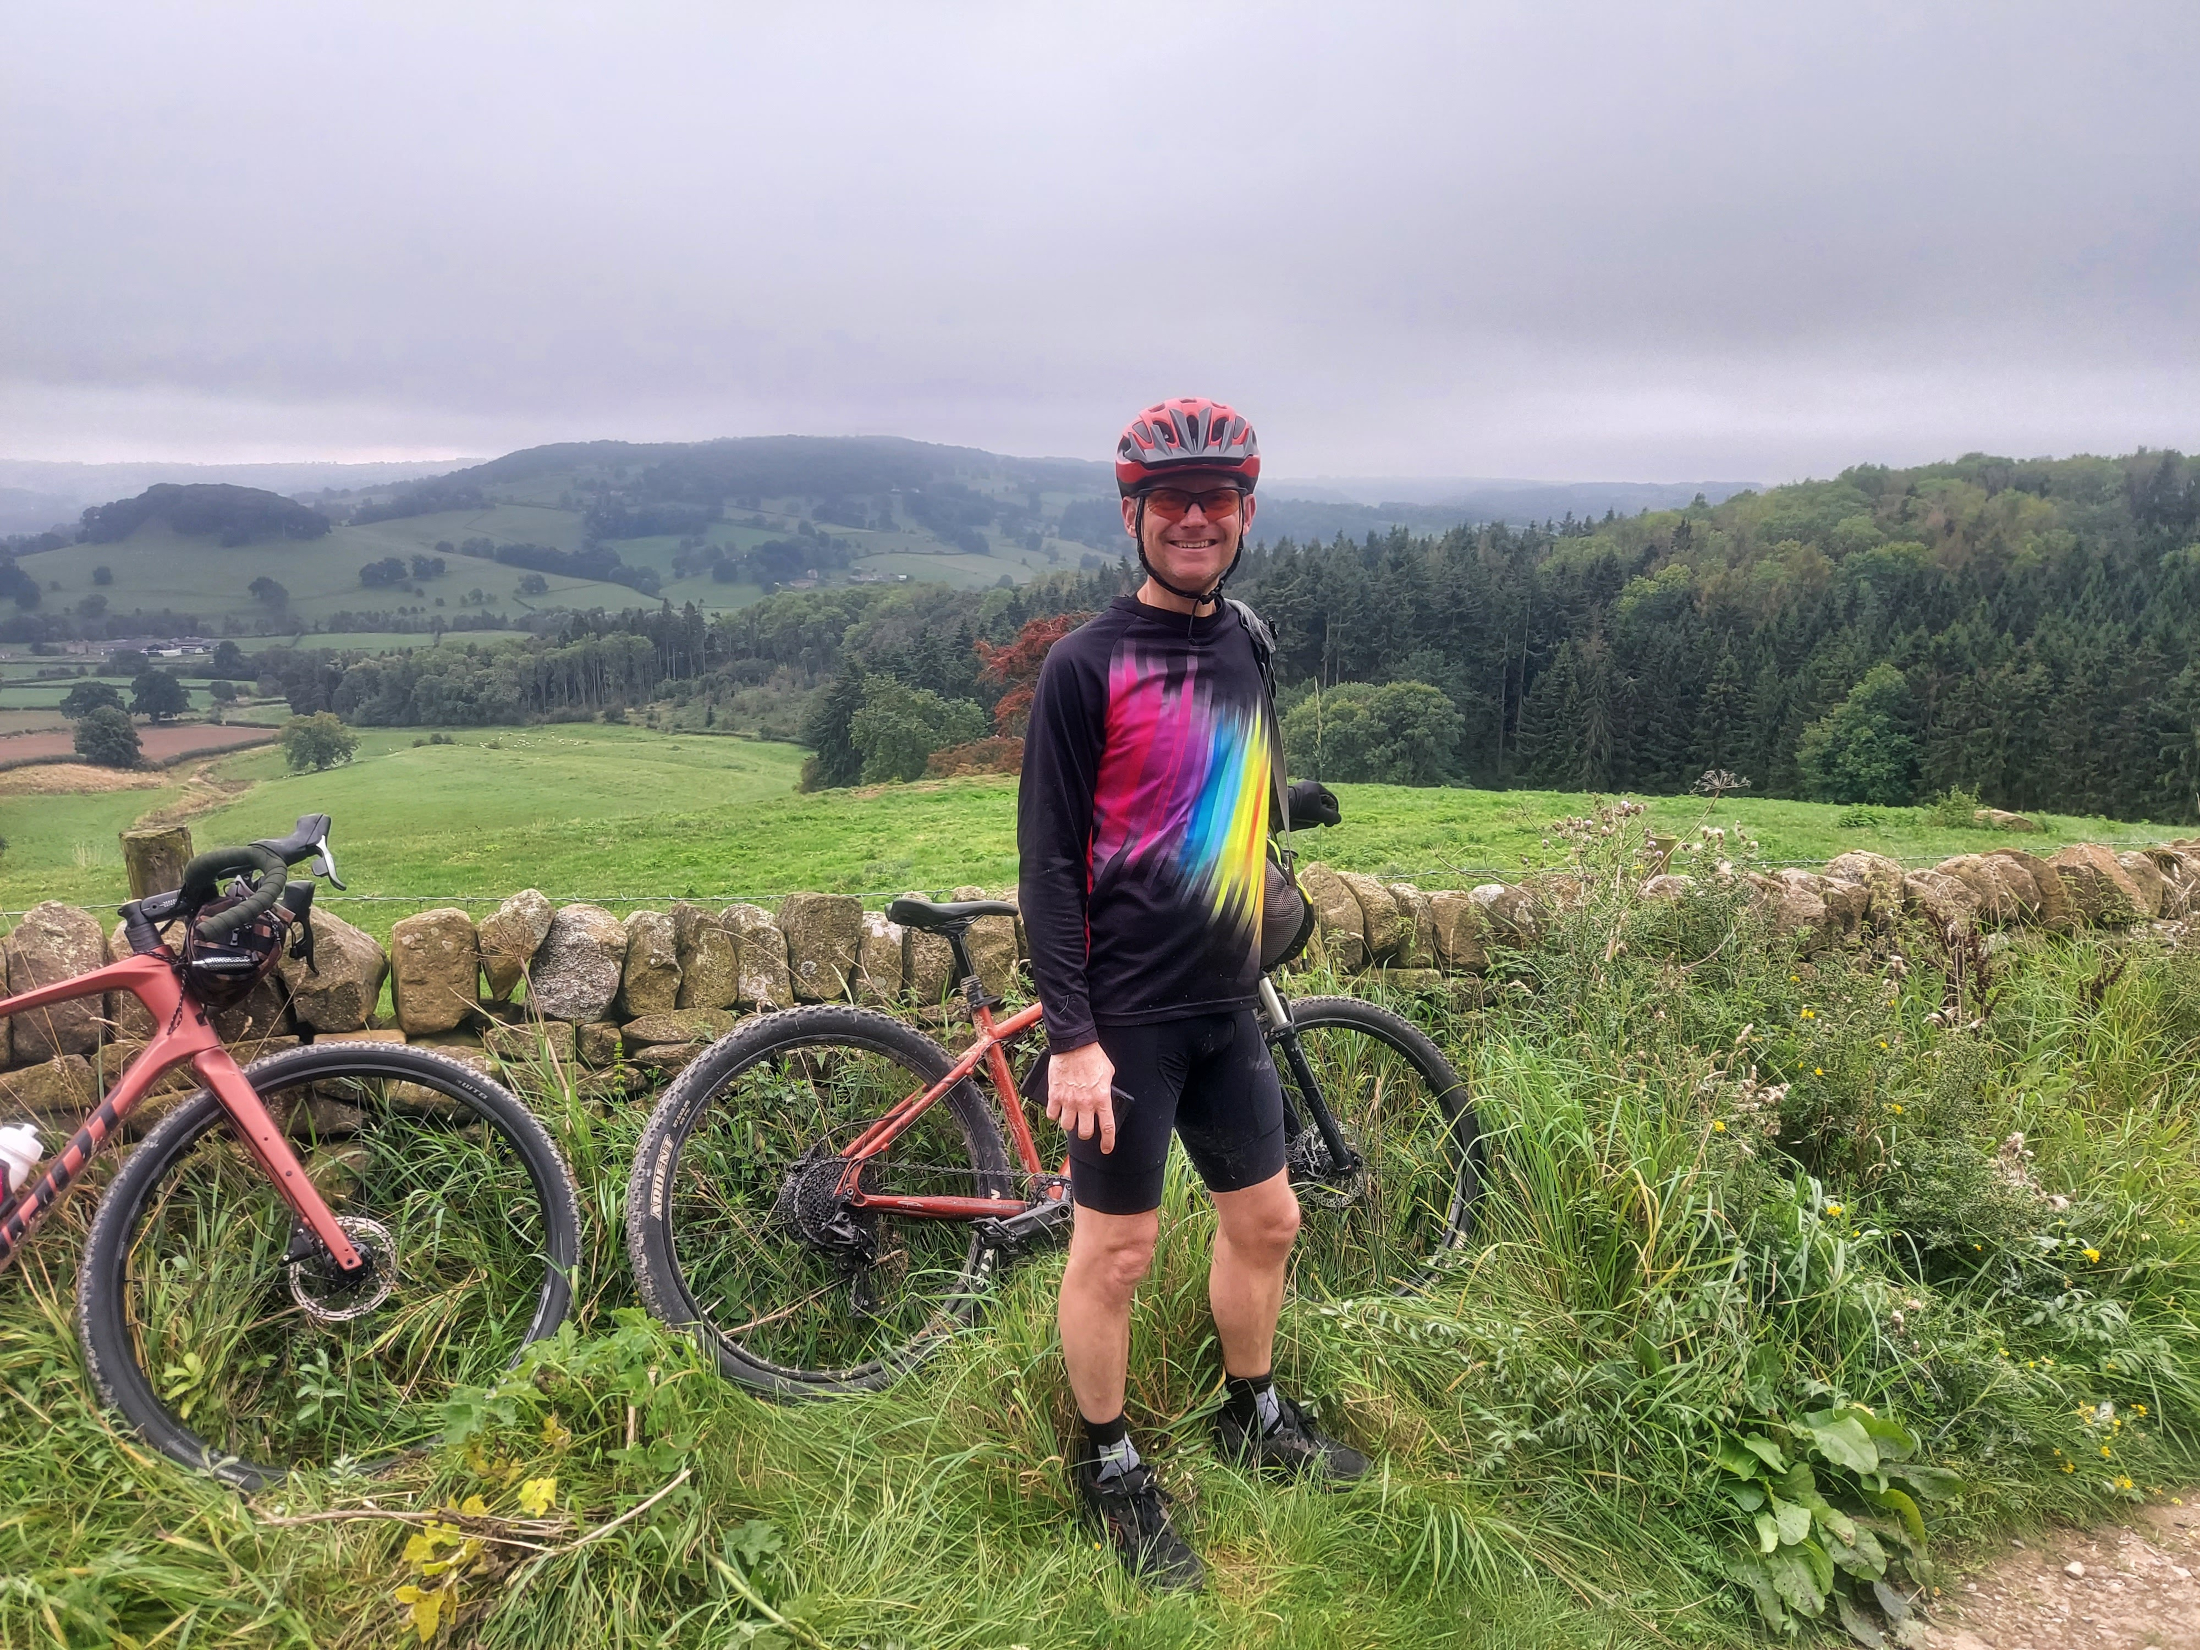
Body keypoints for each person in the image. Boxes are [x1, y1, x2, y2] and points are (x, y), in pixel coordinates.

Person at [1017, 397, 1368, 1592]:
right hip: (1125, 1018)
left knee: (1268, 1222)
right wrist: (1072, 1037)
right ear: (1134, 514)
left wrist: (1281, 801)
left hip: (1229, 1001)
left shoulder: (1245, 644)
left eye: (1217, 498)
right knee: (1116, 1251)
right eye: (1171, 499)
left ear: (1246, 513)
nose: (1195, 519)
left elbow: (1211, 781)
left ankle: (1251, 1413)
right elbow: (1048, 865)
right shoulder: (1085, 665)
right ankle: (1108, 1464)